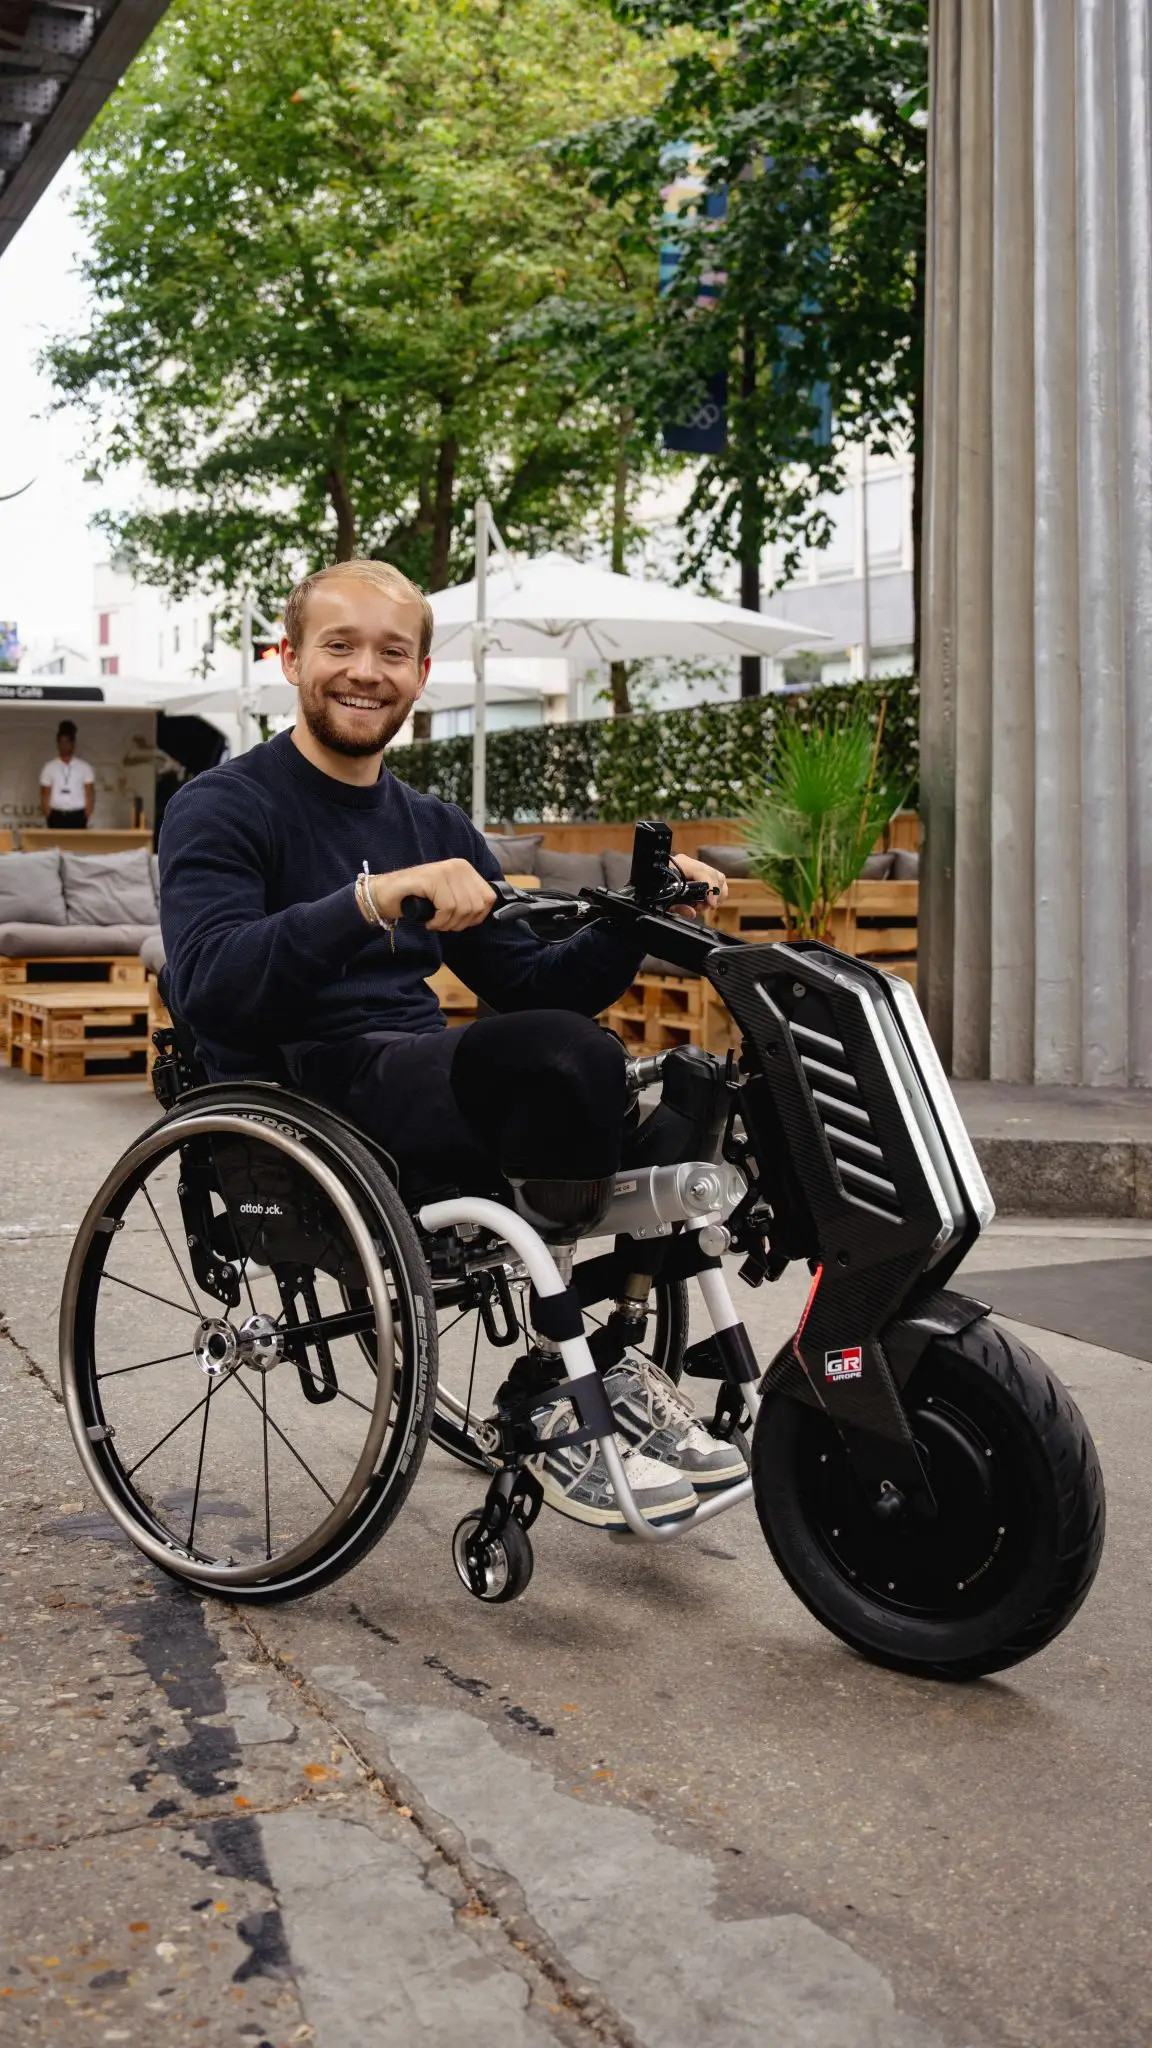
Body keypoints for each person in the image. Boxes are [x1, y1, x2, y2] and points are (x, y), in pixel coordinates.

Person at [160, 558, 745, 1530]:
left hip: (413, 1066)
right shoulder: (223, 805)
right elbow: (214, 983)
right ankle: (563, 1388)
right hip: (302, 1086)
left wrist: (640, 913)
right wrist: (367, 899)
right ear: (289, 656)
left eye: (392, 650)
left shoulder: (430, 821)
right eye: (339, 644)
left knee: (682, 1087)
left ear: (421, 673)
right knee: (568, 1058)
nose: (366, 669)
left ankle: (607, 1365)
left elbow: (536, 979)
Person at [40, 721, 95, 827]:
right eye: (61, 742)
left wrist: (86, 815)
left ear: (73, 744)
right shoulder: (49, 767)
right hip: (56, 815)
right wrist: (49, 814)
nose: (64, 746)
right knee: (55, 844)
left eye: (67, 742)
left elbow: (89, 794)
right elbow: (45, 794)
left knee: (76, 844)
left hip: (78, 815)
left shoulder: (84, 767)